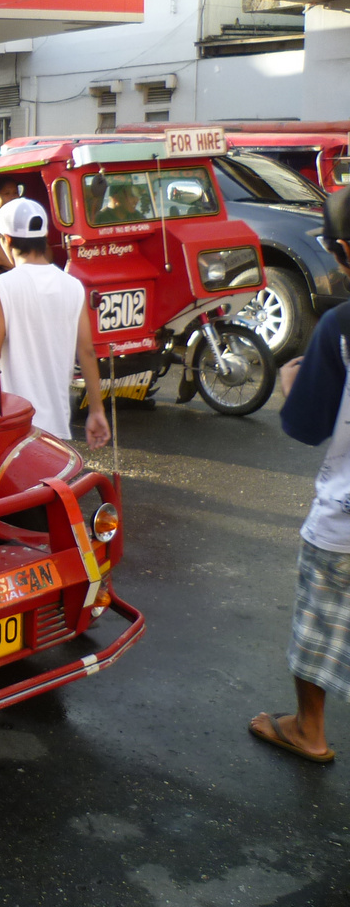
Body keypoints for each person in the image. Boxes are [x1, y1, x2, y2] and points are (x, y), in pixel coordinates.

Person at [249, 189, 350, 763]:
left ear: (341, 252)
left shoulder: (339, 327)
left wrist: (293, 384)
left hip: (342, 522)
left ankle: (308, 729)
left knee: (320, 620)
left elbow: (306, 427)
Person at [0, 197, 110, 448]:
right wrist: (97, 411)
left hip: (15, 423)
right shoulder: (73, 286)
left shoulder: (1, 286)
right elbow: (86, 351)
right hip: (57, 426)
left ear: (6, 240)